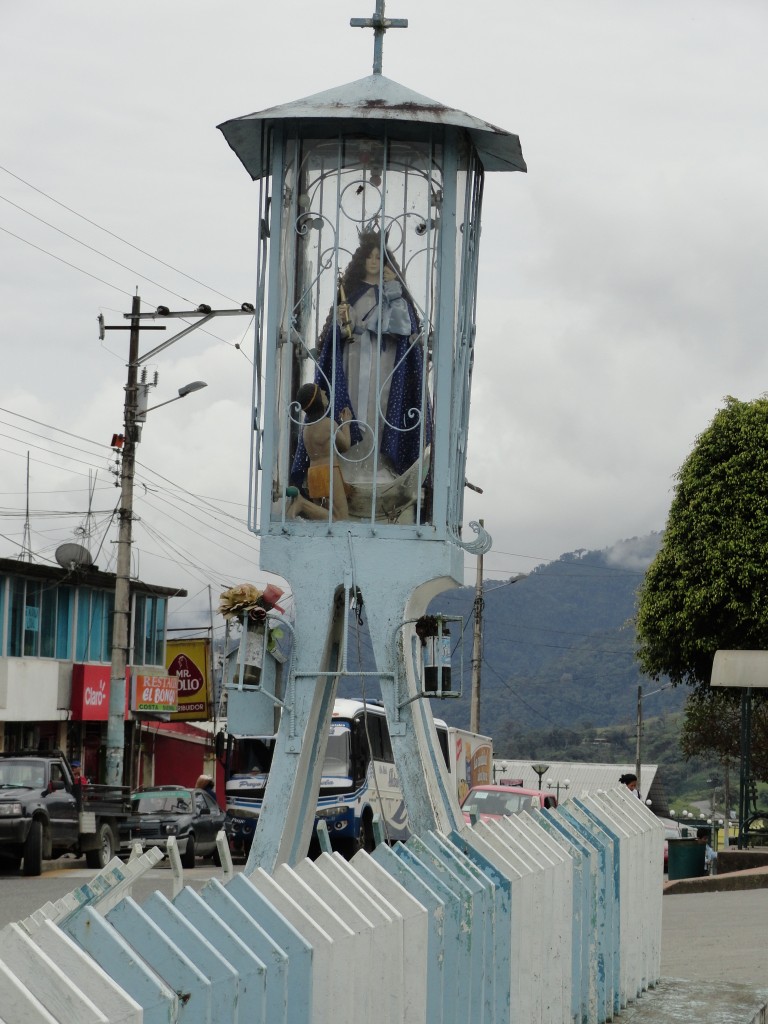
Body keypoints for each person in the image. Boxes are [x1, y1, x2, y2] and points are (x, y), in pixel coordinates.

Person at [291, 229, 430, 491]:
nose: (375, 262)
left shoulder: (394, 292)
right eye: (370, 257)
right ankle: (352, 462)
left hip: (384, 362)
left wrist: (392, 291)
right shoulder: (353, 292)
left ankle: (379, 462)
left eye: (380, 257)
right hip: (354, 360)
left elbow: (402, 326)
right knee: (355, 405)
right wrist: (344, 320)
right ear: (362, 261)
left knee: (382, 406)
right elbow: (342, 330)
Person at [286, 383, 353, 520]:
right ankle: (302, 504)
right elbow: (345, 445)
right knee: (341, 518)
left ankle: (303, 504)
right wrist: (346, 423)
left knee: (327, 518)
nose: (324, 392)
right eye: (321, 392)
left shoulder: (306, 430)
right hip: (329, 472)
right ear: (317, 400)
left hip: (314, 473)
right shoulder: (328, 424)